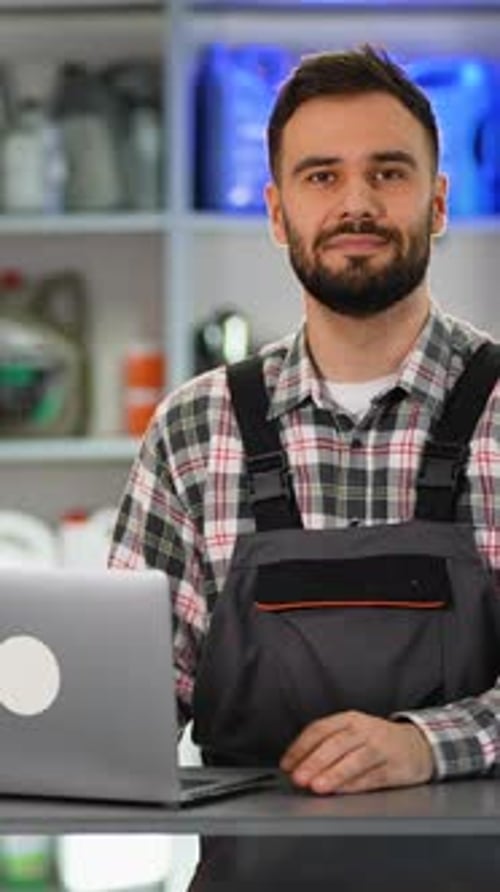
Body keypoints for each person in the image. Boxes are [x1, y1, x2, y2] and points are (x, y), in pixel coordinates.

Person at [109, 44, 500, 890]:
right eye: (320, 177)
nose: (356, 203)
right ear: (277, 212)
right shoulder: (193, 429)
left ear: (436, 204)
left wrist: (426, 743)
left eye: (388, 174)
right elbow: (124, 706)